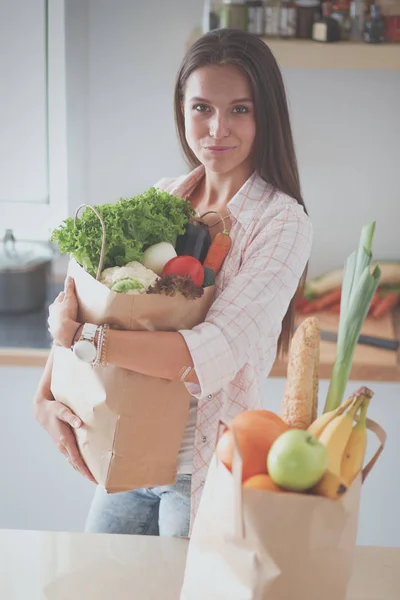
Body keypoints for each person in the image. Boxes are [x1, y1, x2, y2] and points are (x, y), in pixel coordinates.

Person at [33, 28, 313, 538]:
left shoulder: (282, 223)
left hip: (201, 469)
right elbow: (94, 303)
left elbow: (213, 352)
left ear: (266, 114)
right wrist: (43, 395)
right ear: (181, 110)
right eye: (201, 108)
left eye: (240, 110)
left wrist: (81, 339)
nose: (217, 129)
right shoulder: (164, 197)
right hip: (125, 451)